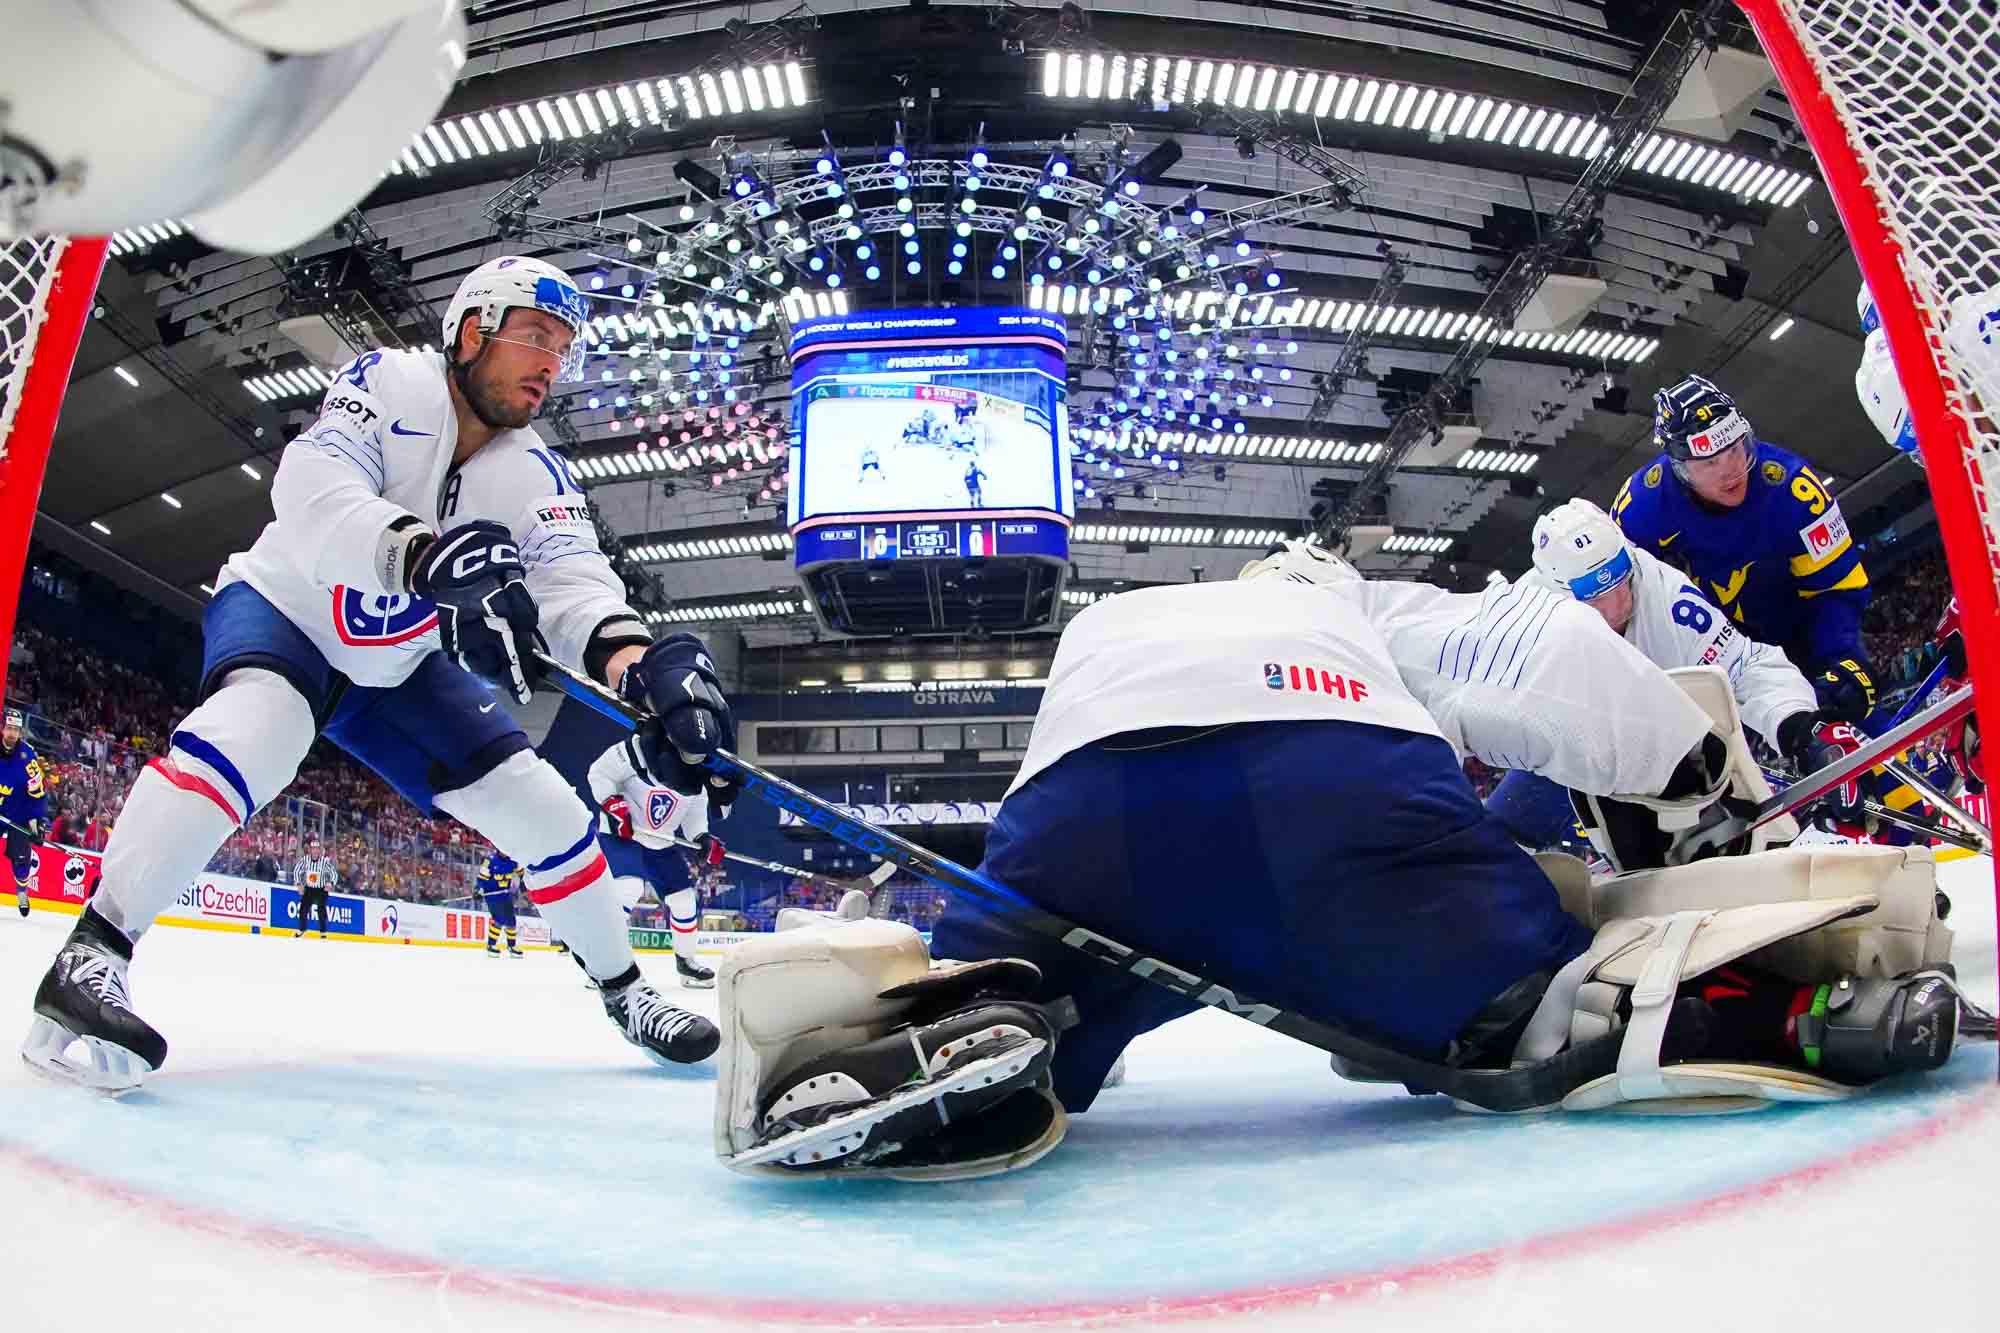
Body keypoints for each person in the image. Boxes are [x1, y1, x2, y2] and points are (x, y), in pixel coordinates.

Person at [711, 541, 1963, 1179]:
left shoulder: (1113, 619)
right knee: (1535, 1004)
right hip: (1330, 785)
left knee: (1050, 978)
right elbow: (1533, 655)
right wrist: (1686, 771)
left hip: (1085, 823)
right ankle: (1787, 1011)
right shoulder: (1343, 599)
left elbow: (1054, 784)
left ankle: (981, 1020)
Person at [21, 256, 735, 1095]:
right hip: (289, 608)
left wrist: (636, 662)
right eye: (536, 335)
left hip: (395, 664)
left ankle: (626, 989)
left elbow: (573, 581)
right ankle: (93, 955)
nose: (552, 362)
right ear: (472, 331)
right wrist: (421, 554)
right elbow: (312, 484)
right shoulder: (388, 380)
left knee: (544, 808)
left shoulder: (535, 471)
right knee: (259, 729)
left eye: (565, 347)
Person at [1487, 498, 1860, 849]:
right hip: (1573, 738)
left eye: (1621, 579)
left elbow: (1744, 667)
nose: (1618, 604)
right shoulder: (1520, 624)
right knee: (1500, 834)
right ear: (1559, 594)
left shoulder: (1665, 594)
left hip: (1669, 729)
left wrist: (1800, 727)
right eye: (1595, 595)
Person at [1612, 374, 1875, 723]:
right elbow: (1620, 615)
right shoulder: (1639, 510)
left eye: (1735, 448)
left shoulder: (1795, 489)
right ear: (1680, 468)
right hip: (1705, 660)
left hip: (1801, 637)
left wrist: (1842, 658)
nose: (1731, 469)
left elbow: (1836, 588)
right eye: (1710, 462)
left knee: (1853, 715)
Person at [539, 695, 718, 989]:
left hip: (660, 842)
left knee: (684, 900)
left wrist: (702, 838)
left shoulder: (698, 775)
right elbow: (599, 773)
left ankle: (686, 962)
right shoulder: (633, 751)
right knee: (627, 888)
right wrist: (612, 803)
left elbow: (695, 812)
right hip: (622, 835)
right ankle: (605, 965)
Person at [2, 706, 48, 917]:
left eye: (16, 730)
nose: (12, 733)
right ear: (2, 728)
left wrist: (37, 823)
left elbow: (37, 792)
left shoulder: (27, 756)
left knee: (22, 858)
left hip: (19, 810)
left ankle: (21, 891)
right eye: (9, 728)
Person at [475, 850, 523, 957]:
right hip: (492, 895)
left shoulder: (514, 860)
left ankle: (512, 946)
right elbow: (481, 878)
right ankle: (491, 945)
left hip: (505, 895)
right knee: (499, 919)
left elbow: (522, 872)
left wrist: (524, 884)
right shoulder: (489, 860)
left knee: (511, 921)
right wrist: (478, 889)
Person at [293, 834, 337, 939]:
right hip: (309, 889)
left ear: (319, 850)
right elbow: (297, 871)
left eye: (317, 849)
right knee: (303, 909)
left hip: (321, 889)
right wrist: (299, 884)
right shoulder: (305, 860)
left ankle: (323, 932)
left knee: (321, 910)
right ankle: (302, 929)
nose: (315, 851)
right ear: (310, 850)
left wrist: (330, 883)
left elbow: (334, 873)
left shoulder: (324, 862)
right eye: (313, 849)